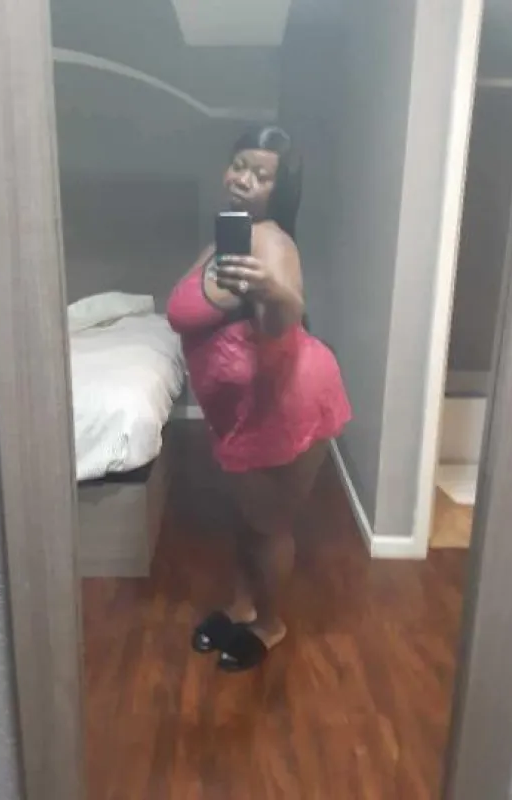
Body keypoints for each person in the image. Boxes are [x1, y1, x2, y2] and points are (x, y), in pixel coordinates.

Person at [167, 125, 352, 672]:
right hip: (244, 409)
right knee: (247, 516)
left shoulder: (272, 242)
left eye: (262, 175)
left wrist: (274, 291)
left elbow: (279, 319)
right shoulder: (229, 232)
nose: (244, 179)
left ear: (280, 189)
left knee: (269, 525)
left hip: (284, 403)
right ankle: (243, 606)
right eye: (240, 165)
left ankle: (270, 624)